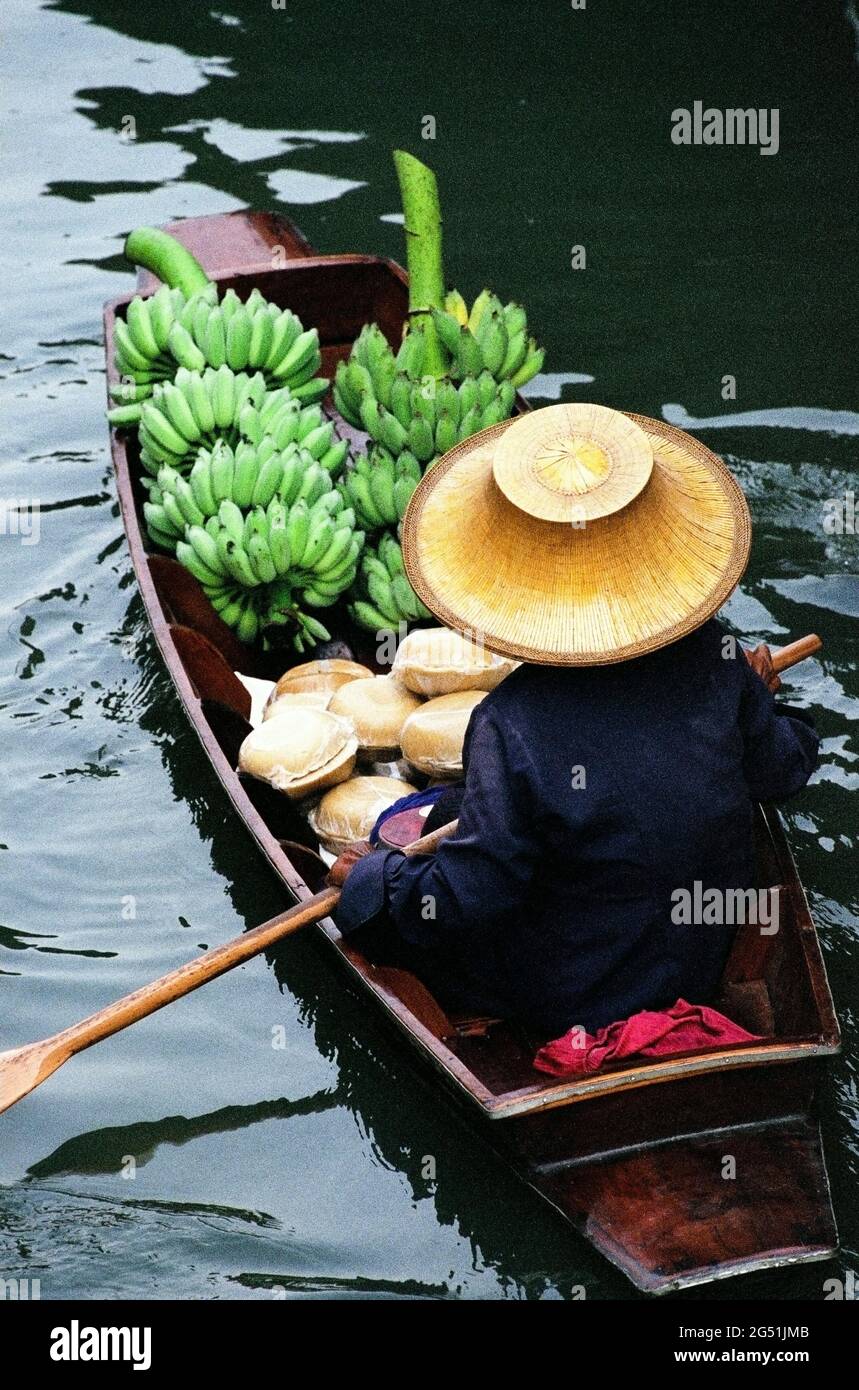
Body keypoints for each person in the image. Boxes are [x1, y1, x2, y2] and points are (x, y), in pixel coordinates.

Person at [329, 405, 820, 1038]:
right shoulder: (717, 661)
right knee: (444, 813)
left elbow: (472, 894)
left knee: (394, 872)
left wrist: (372, 883)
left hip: (569, 994)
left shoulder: (511, 725)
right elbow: (784, 768)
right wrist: (762, 700)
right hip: (697, 960)